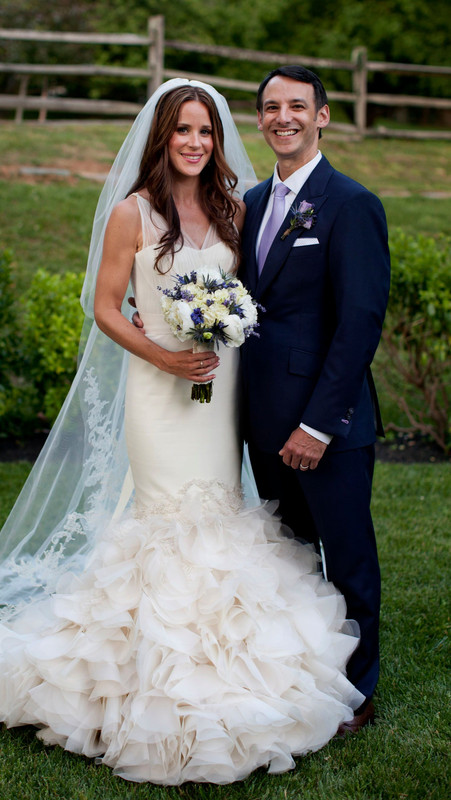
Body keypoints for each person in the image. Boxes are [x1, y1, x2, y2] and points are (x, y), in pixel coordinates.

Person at [0, 79, 361, 785]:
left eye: (206, 132)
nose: (194, 143)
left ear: (217, 141)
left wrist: (224, 331)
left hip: (219, 393)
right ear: (161, 137)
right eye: (182, 130)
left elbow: (254, 295)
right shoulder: (134, 212)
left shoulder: (232, 210)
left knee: (217, 509)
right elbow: (103, 307)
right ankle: (146, 673)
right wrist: (163, 353)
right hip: (158, 392)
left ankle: (222, 659)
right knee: (166, 516)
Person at [240, 65, 391, 735]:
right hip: (260, 417)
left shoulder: (349, 203)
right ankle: (301, 668)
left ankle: (357, 690)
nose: (283, 117)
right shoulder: (245, 204)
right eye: (271, 107)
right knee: (290, 555)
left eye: (296, 106)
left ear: (321, 116)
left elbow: (359, 321)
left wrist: (317, 424)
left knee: (346, 556)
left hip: (324, 423)